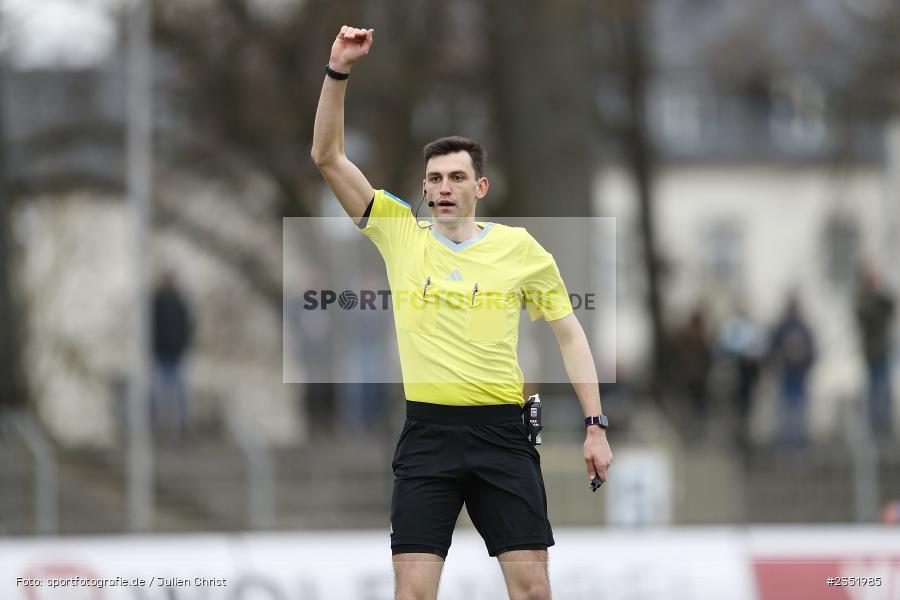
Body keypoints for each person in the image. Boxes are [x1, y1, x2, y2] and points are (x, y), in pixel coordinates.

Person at [311, 26, 612, 600]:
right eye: (433, 180)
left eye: (455, 178)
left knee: (531, 590)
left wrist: (595, 424)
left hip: (502, 434)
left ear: (480, 186)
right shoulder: (401, 233)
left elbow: (570, 335)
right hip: (428, 435)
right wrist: (338, 70)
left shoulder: (521, 249)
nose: (443, 188)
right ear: (422, 191)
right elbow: (327, 157)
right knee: (415, 593)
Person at [151, 270, 194, 440]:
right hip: (163, 352)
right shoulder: (158, 300)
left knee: (175, 389)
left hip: (174, 352)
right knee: (162, 389)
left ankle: (177, 425)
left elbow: (187, 325)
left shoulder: (177, 301)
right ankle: (158, 423)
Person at [769, 296, 816, 450]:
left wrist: (806, 365)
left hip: (799, 376)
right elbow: (773, 347)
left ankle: (799, 441)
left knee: (800, 409)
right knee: (786, 409)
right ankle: (786, 442)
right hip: (787, 375)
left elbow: (811, 351)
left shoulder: (803, 327)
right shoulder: (782, 327)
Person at [855, 269, 895, 440]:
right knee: (873, 389)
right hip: (871, 353)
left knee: (884, 388)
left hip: (883, 352)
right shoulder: (863, 300)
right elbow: (866, 315)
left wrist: (880, 292)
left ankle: (885, 424)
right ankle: (873, 425)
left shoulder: (881, 299)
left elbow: (892, 305)